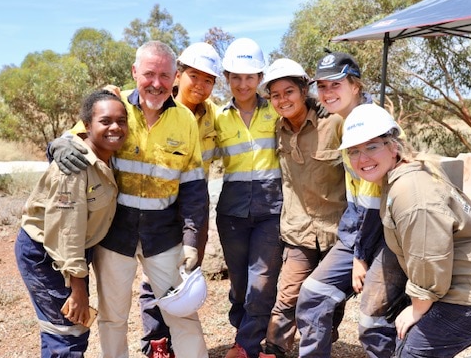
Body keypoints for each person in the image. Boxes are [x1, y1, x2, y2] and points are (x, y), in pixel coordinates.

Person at [49, 41, 210, 358]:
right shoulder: (113, 107)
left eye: (165, 75)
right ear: (135, 72)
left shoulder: (186, 122)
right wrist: (59, 145)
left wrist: (191, 240)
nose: (156, 83)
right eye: (149, 73)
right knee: (113, 319)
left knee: (182, 314)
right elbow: (72, 139)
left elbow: (193, 187)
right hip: (114, 235)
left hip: (164, 237)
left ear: (175, 77)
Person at [338, 103, 471, 357]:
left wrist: (418, 306)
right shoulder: (400, 178)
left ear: (393, 146)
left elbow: (429, 254)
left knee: (414, 354)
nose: (362, 158)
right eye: (354, 151)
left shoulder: (410, 191)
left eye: (372, 146)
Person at [295, 51, 408, 358]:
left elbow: (374, 204)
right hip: (361, 231)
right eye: (322, 86)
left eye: (335, 84)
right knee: (312, 296)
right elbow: (357, 200)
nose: (327, 92)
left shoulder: (370, 121)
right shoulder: (346, 122)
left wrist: (360, 257)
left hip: (390, 235)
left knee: (374, 321)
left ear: (355, 85)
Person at [15, 90, 128, 357]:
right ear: (86, 125)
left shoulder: (108, 157)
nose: (115, 127)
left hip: (70, 253)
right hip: (48, 254)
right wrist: (78, 287)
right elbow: (67, 231)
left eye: (121, 120)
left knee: (60, 330)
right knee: (68, 333)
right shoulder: (75, 166)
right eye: (105, 121)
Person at [256, 59, 347, 358]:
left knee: (327, 301)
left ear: (304, 90)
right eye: (276, 95)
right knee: (287, 296)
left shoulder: (334, 123)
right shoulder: (275, 130)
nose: (283, 100)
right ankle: (274, 351)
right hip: (297, 230)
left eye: (289, 91)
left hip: (336, 233)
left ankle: (319, 343)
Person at [137, 41, 221, 357]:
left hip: (192, 207)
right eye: (193, 76)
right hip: (156, 209)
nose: (199, 86)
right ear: (178, 74)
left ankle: (181, 336)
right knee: (152, 278)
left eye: (208, 80)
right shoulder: (152, 104)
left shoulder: (215, 116)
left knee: (184, 274)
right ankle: (156, 342)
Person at [215, 37, 283, 358]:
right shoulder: (217, 118)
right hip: (231, 213)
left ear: (260, 79)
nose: (243, 84)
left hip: (271, 211)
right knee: (240, 284)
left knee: (263, 282)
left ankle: (246, 347)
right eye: (237, 77)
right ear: (227, 77)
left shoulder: (276, 112)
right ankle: (242, 331)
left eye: (250, 77)